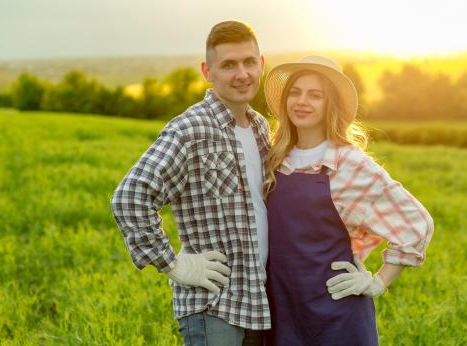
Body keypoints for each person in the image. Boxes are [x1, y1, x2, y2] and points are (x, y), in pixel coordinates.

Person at [111, 20, 270, 345]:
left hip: (257, 302)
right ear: (207, 71)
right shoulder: (190, 129)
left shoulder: (260, 128)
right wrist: (173, 264)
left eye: (249, 62)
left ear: (261, 64)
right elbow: (130, 197)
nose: (242, 74)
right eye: (228, 65)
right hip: (212, 305)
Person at [262, 56, 434, 345]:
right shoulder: (274, 158)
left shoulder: (349, 163)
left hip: (337, 313)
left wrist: (378, 282)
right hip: (283, 310)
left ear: (331, 105)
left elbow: (417, 224)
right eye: (295, 92)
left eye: (315, 95)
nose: (302, 101)